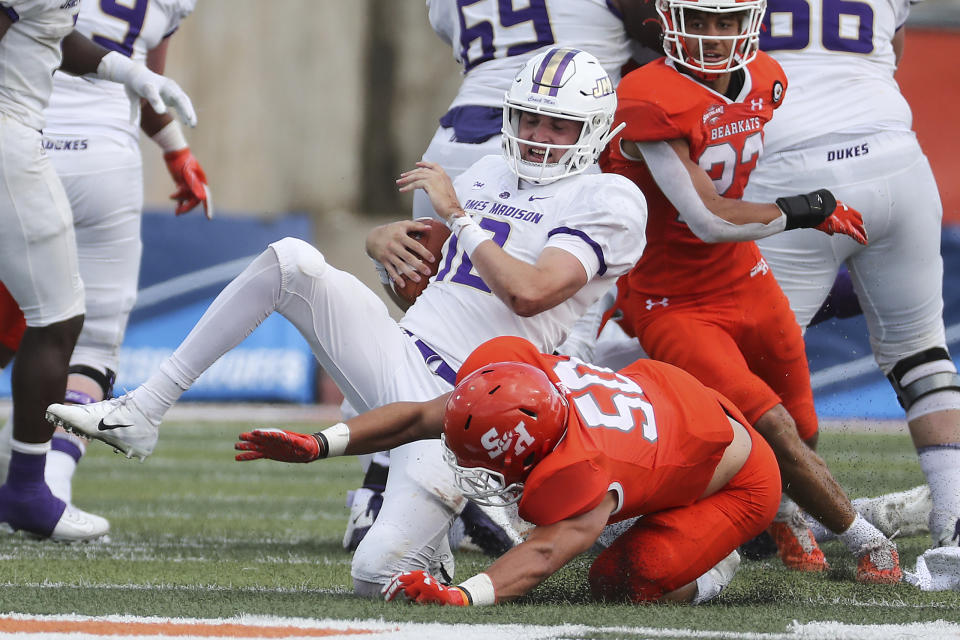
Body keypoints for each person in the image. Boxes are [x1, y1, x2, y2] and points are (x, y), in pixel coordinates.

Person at [46, 48, 649, 593]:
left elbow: (527, 293)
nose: (540, 136)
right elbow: (439, 290)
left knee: (375, 578)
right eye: (530, 119)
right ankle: (144, 409)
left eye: (559, 123)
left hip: (465, 403)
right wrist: (381, 242)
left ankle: (445, 536)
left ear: (593, 131)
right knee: (292, 262)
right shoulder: (490, 172)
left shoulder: (608, 199)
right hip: (404, 354)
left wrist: (457, 215)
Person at [342, 0, 663, 554]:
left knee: (455, 329)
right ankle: (493, 487)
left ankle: (383, 491)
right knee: (524, 334)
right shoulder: (583, 173)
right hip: (536, 150)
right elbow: (653, 33)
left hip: (464, 134)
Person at [596, 0, 900, 582]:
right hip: (671, 298)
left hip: (742, 275)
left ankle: (784, 512)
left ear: (748, 23)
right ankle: (868, 540)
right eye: (701, 20)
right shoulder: (648, 95)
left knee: (804, 424)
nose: (713, 35)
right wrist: (808, 209)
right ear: (668, 20)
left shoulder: (766, 78)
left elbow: (737, 185)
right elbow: (706, 217)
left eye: (726, 21)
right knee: (773, 424)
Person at [234, 335, 782, 605]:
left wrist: (466, 595)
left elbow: (545, 552)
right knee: (594, 512)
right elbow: (420, 418)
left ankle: (718, 565)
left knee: (621, 578)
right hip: (674, 419)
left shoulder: (587, 466)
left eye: (490, 461)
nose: (473, 470)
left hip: (737, 477)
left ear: (537, 450)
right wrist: (318, 443)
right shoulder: (526, 391)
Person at [740, 0, 960, 551]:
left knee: (748, 366)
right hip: (895, 157)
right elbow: (890, 53)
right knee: (921, 351)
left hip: (790, 167)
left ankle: (777, 515)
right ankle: (953, 518)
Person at [0, 0, 208, 525]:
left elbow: (57, 36)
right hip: (69, 151)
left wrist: (128, 71)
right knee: (81, 335)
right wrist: (175, 148)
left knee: (28, 326)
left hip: (33, 140)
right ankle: (41, 482)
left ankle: (29, 478)